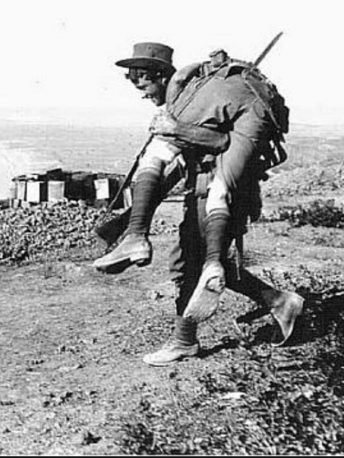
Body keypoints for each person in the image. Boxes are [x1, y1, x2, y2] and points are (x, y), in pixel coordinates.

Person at [92, 42, 304, 366]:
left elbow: (222, 143)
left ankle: (184, 340)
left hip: (222, 194)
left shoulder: (197, 101)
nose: (143, 93)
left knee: (192, 263)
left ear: (161, 76)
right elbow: (178, 165)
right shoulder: (191, 101)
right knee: (198, 263)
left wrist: (175, 130)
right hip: (202, 191)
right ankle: (280, 302)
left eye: (144, 83)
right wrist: (132, 219)